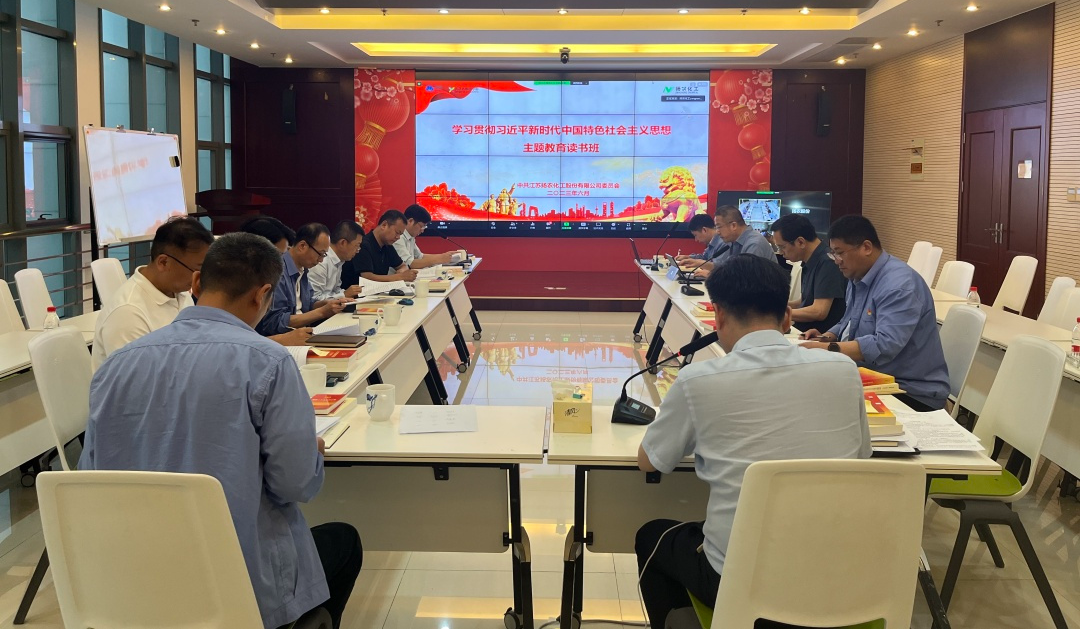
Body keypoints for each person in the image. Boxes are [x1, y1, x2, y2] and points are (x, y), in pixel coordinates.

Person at [79, 233, 362, 629]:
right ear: (262, 295)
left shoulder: (117, 365)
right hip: (238, 581)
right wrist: (310, 452)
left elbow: (90, 476)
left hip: (135, 581)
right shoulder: (269, 362)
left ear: (196, 283)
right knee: (344, 542)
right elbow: (295, 484)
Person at [634, 255, 871, 628]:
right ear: (787, 318)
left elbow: (650, 461)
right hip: (837, 577)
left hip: (741, 581)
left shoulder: (699, 380)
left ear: (718, 315)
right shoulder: (844, 370)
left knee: (653, 536)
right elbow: (861, 455)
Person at [800, 215, 950, 411]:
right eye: (833, 254)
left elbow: (884, 344)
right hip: (873, 378)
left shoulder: (898, 286)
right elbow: (848, 320)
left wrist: (828, 348)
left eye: (840, 253)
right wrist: (827, 336)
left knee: (822, 405)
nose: (836, 261)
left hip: (909, 391)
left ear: (866, 247)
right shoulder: (856, 275)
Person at [91, 217, 213, 370]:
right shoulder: (128, 313)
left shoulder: (180, 293)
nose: (200, 278)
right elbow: (138, 380)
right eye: (197, 269)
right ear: (163, 262)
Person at [255, 223, 350, 337]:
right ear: (302, 246)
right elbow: (274, 323)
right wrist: (322, 312)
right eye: (320, 254)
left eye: (324, 255)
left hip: (303, 332)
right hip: (285, 338)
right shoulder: (279, 271)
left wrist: (328, 303)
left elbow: (308, 304)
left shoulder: (303, 269)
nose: (321, 260)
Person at [770, 214, 847, 332]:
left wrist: (776, 314)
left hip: (819, 335)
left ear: (800, 242)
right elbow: (805, 301)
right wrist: (775, 306)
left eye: (782, 247)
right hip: (806, 332)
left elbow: (819, 311)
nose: (780, 252)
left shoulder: (827, 262)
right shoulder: (810, 260)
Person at [693, 205, 776, 277]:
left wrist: (713, 275)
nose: (717, 232)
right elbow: (729, 268)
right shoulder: (734, 241)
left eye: (719, 227)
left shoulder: (754, 244)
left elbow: (748, 278)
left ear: (733, 226)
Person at [352, 210, 419, 283]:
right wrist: (400, 276)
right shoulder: (363, 245)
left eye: (400, 235)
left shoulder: (387, 246)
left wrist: (402, 271)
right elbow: (367, 277)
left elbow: (402, 265)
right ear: (384, 225)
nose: (398, 237)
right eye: (397, 232)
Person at [309, 221, 365, 301]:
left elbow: (335, 291)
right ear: (343, 243)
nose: (358, 250)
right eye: (357, 245)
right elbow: (314, 299)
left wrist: (349, 293)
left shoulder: (339, 260)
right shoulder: (321, 261)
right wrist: (344, 295)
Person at [395, 204, 460, 269]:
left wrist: (444, 256)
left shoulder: (410, 237)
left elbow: (420, 257)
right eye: (421, 226)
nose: (422, 230)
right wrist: (440, 259)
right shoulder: (398, 237)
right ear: (410, 221)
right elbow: (409, 264)